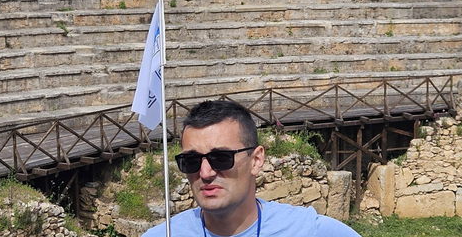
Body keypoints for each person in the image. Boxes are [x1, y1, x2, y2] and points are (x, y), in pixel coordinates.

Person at [143, 100, 361, 237]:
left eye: (221, 157)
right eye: (191, 161)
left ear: (256, 160)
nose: (205, 173)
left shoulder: (308, 230)